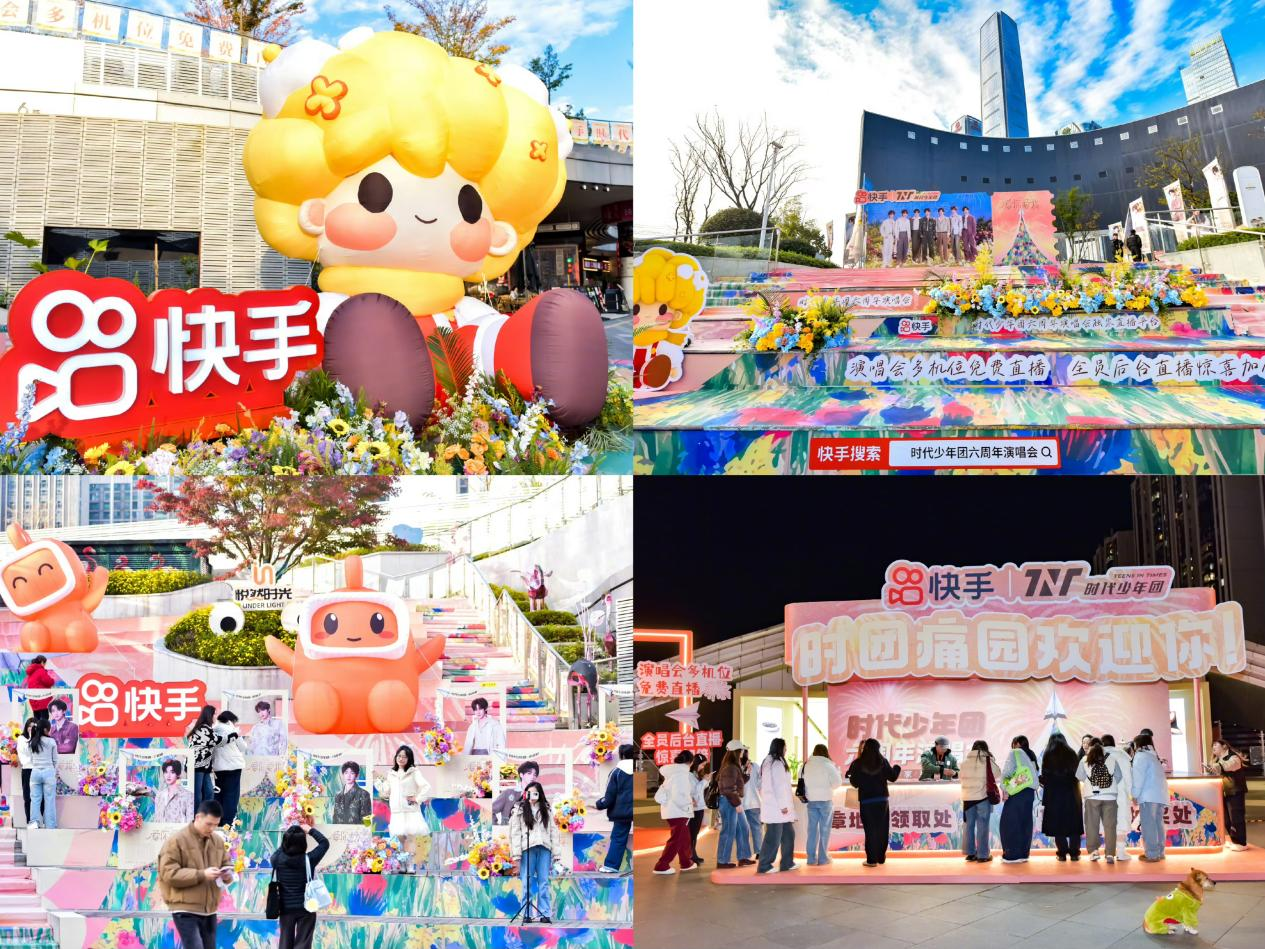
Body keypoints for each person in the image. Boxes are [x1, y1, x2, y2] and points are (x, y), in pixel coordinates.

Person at [157, 799, 231, 949]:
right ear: (198, 817)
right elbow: (168, 873)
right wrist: (202, 874)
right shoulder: (176, 840)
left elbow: (226, 864)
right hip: (185, 909)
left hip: (209, 910)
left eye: (216, 825)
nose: (212, 828)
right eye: (209, 824)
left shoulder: (217, 841)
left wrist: (227, 875)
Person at [508, 781, 562, 923]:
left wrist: (556, 853)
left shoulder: (546, 809)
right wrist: (516, 854)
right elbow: (515, 833)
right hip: (527, 849)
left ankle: (545, 913)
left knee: (543, 882)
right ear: (525, 793)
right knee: (527, 882)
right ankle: (526, 913)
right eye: (529, 793)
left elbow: (553, 831)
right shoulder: (519, 810)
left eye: (535, 793)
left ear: (540, 794)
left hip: (544, 848)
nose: (532, 796)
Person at [270, 823, 330, 949]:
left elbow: (281, 849)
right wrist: (310, 830)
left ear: (285, 841)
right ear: (303, 843)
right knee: (303, 943)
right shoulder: (309, 859)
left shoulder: (276, 859)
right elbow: (324, 843)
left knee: (285, 943)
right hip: (307, 907)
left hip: (285, 908)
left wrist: (289, 837)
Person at [845, 738, 902, 867]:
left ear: (865, 748)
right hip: (882, 800)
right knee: (882, 829)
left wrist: (852, 776)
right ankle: (881, 857)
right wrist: (897, 768)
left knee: (870, 830)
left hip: (866, 801)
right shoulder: (882, 761)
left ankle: (871, 860)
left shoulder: (858, 763)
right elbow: (893, 777)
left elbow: (854, 783)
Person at [1076, 741, 1125, 863]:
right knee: (1110, 827)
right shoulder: (1112, 758)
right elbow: (1119, 776)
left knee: (1092, 825)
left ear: (1090, 747)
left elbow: (1079, 776)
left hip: (1092, 796)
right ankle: (1110, 854)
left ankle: (1094, 852)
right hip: (1110, 797)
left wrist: (1091, 782)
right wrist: (1108, 785)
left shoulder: (1085, 759)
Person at [756, 738, 797, 874]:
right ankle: (764, 865)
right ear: (780, 748)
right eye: (785, 747)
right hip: (777, 808)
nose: (786, 749)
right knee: (773, 837)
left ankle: (787, 862)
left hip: (775, 807)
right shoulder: (776, 763)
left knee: (788, 834)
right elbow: (779, 786)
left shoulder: (769, 762)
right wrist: (783, 805)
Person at [1040, 733, 1084, 860]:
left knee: (1057, 824)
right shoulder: (1072, 754)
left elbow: (1045, 776)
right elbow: (1078, 774)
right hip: (1072, 794)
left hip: (1054, 796)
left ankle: (1062, 854)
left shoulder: (1048, 755)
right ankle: (1074, 854)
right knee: (1074, 824)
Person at [652, 749, 696, 875]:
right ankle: (662, 865)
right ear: (691, 761)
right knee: (677, 839)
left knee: (683, 838)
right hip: (679, 811)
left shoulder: (672, 773)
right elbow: (680, 796)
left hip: (671, 810)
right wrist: (688, 805)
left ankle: (686, 862)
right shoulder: (682, 774)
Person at [960, 740, 1001, 862]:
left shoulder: (964, 763)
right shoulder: (987, 760)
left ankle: (970, 853)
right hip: (982, 797)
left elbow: (960, 777)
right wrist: (991, 758)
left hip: (967, 799)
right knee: (983, 826)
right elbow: (997, 773)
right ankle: (983, 855)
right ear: (985, 749)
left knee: (969, 826)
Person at [1000, 735, 1039, 864]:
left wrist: (1004, 788)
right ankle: (1023, 854)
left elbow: (1007, 772)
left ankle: (1012, 855)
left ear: (1016, 743)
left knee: (1009, 822)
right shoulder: (1031, 755)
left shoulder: (1015, 752)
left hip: (1016, 791)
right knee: (1025, 823)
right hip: (1029, 793)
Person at [596, 743, 635, 873]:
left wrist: (598, 804)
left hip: (622, 813)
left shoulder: (616, 772)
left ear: (622, 755)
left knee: (618, 838)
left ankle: (611, 866)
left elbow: (609, 797)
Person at [802, 743, 842, 866]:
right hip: (825, 801)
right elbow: (837, 783)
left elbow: (800, 780)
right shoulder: (828, 765)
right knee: (825, 830)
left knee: (812, 831)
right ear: (825, 753)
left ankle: (811, 859)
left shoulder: (806, 765)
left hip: (811, 801)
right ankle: (823, 858)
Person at [714, 744, 753, 868]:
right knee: (729, 831)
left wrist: (747, 774)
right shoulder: (730, 767)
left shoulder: (731, 766)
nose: (743, 752)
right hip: (729, 802)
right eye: (741, 750)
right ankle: (722, 861)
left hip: (731, 801)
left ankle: (743, 857)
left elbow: (737, 783)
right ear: (737, 751)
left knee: (743, 828)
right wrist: (737, 803)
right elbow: (728, 788)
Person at [1132, 732, 1168, 861]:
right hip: (1160, 795)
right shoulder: (1153, 756)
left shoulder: (1140, 756)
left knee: (1149, 824)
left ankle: (1152, 854)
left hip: (1148, 795)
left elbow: (1138, 778)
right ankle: (1160, 852)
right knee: (1158, 823)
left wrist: (1134, 794)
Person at [381, 745, 429, 838]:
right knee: (399, 841)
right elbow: (386, 791)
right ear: (396, 757)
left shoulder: (414, 772)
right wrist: (378, 779)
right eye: (399, 756)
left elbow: (426, 787)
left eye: (404, 757)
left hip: (410, 812)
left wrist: (417, 798)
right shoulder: (391, 773)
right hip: (396, 813)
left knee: (411, 841)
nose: (401, 759)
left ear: (409, 759)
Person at [1208, 739, 1248, 851]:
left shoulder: (1233, 757)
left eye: (1215, 745)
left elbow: (1229, 765)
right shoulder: (1217, 760)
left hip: (1235, 791)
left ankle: (1241, 843)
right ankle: (1234, 840)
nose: (1213, 748)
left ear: (1224, 746)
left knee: (1236, 817)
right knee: (1226, 819)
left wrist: (1217, 766)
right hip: (1224, 792)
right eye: (1212, 746)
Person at [1101, 734, 1133, 861]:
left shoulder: (1097, 756)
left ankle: (1109, 853)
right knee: (1120, 824)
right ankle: (1120, 852)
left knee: (1107, 824)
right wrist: (1132, 794)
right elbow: (1128, 777)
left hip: (1103, 795)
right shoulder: (1122, 756)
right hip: (1120, 795)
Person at [212, 711, 246, 828]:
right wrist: (237, 733)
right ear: (231, 720)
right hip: (233, 767)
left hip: (217, 768)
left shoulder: (213, 729)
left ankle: (218, 822)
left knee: (218, 795)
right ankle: (228, 823)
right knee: (231, 795)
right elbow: (243, 747)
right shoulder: (232, 729)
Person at [185, 706, 220, 812]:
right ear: (210, 715)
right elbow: (217, 740)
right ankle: (196, 817)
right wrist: (233, 735)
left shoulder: (205, 728)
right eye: (215, 714)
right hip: (196, 765)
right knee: (197, 794)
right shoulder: (203, 728)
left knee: (209, 792)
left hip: (204, 766)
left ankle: (205, 815)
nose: (216, 716)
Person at [23, 718, 56, 829]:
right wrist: (52, 770)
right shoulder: (51, 741)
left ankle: (34, 823)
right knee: (49, 800)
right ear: (46, 729)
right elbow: (55, 760)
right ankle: (50, 825)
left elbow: (31, 759)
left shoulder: (32, 742)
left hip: (35, 772)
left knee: (35, 800)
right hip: (48, 772)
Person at [493, 760, 538, 826]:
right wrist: (497, 827)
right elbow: (491, 810)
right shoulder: (508, 793)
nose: (532, 777)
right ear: (521, 775)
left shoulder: (536, 795)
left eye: (535, 774)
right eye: (529, 773)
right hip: (509, 830)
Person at [331, 761, 372, 825]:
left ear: (356, 775)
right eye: (346, 773)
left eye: (352, 773)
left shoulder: (364, 794)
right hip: (339, 830)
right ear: (343, 775)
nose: (348, 776)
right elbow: (335, 819)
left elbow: (366, 821)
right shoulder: (338, 796)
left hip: (356, 830)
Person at [155, 759, 195, 824]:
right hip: (161, 830)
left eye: (172, 772)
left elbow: (190, 822)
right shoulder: (159, 795)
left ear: (178, 774)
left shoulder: (188, 795)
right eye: (166, 772)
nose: (168, 775)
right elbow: (157, 820)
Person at [687, 753, 710, 866]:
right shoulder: (689, 775)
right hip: (693, 808)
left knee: (694, 833)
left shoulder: (696, 774)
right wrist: (704, 781)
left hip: (699, 807)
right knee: (691, 833)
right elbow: (694, 791)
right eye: (702, 765)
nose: (703, 767)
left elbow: (699, 790)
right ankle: (690, 856)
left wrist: (705, 781)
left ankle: (693, 854)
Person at [740, 747, 762, 857]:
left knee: (743, 830)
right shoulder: (755, 766)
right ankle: (759, 852)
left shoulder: (737, 767)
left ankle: (745, 854)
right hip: (754, 801)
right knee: (756, 828)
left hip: (741, 803)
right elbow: (760, 783)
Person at [16, 718, 36, 825]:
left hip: (37, 769)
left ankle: (38, 820)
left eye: (33, 726)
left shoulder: (38, 738)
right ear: (26, 726)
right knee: (27, 797)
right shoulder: (21, 738)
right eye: (29, 726)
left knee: (37, 797)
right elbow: (23, 754)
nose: (31, 728)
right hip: (27, 769)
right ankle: (29, 820)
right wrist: (31, 738)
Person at [22, 656, 54, 723]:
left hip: (33, 699)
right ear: (42, 662)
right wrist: (52, 680)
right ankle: (42, 730)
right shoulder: (41, 670)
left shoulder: (30, 673)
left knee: (36, 719)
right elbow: (48, 682)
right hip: (42, 698)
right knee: (44, 720)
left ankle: (37, 730)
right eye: (45, 663)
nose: (45, 665)